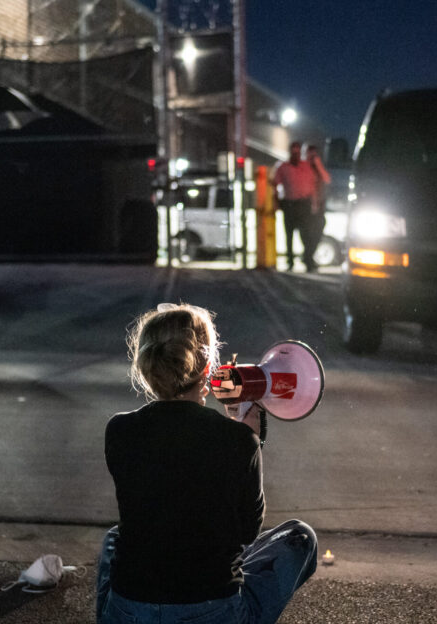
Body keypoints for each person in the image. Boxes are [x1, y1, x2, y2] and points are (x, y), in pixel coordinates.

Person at [97, 303, 317, 624]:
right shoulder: (237, 440)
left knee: (114, 539)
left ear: (147, 366)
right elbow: (246, 531)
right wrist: (250, 436)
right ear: (207, 368)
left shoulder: (118, 429)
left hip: (129, 609)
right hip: (211, 610)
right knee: (301, 537)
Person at [273, 141, 319, 272]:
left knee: (306, 234)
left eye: (298, 152)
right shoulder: (283, 167)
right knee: (289, 234)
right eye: (294, 152)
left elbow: (313, 186)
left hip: (304, 204)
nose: (296, 155)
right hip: (289, 204)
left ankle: (308, 261)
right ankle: (290, 262)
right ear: (290, 152)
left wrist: (314, 203)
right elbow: (275, 184)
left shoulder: (306, 166)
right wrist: (276, 202)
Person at [304, 144, 332, 271]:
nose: (313, 157)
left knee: (318, 230)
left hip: (319, 205)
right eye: (311, 154)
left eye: (315, 154)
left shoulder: (318, 168)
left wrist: (318, 164)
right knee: (307, 234)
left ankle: (309, 257)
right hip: (306, 205)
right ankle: (308, 259)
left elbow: (327, 179)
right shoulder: (303, 168)